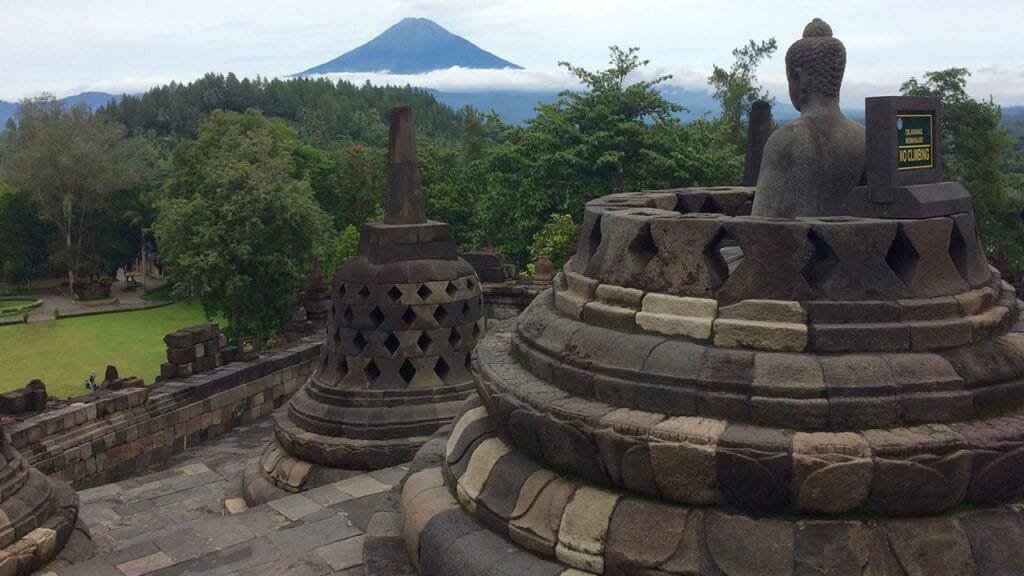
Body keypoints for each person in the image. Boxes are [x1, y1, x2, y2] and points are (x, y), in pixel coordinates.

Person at [751, 18, 866, 218]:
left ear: (798, 77)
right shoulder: (865, 138)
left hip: (795, 247)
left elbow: (760, 228)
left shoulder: (788, 140)